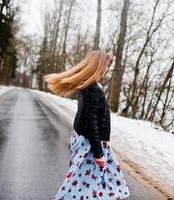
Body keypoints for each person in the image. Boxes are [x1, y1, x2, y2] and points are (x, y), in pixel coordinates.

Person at [43, 50, 130, 200]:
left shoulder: (88, 86)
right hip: (91, 145)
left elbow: (83, 116)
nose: (107, 69)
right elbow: (91, 123)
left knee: (87, 184)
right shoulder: (92, 89)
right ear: (98, 66)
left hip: (86, 142)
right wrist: (99, 154)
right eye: (106, 66)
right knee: (84, 186)